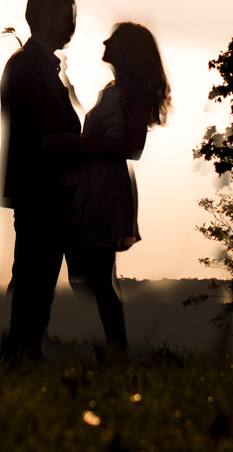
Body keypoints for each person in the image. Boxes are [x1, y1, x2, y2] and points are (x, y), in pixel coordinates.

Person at [50, 21, 172, 361]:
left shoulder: (132, 95)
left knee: (96, 280)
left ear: (127, 51)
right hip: (92, 183)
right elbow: (90, 124)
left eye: (114, 40)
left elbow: (132, 147)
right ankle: (110, 354)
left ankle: (115, 357)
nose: (104, 41)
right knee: (84, 278)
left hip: (104, 189)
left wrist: (79, 145)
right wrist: (63, 82)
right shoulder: (115, 89)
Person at [0, 0, 81, 363]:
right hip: (42, 188)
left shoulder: (37, 64)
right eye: (67, 16)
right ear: (45, 17)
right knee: (34, 276)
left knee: (36, 277)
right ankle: (20, 352)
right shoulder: (29, 65)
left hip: (44, 187)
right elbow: (41, 128)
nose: (72, 25)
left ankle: (22, 351)